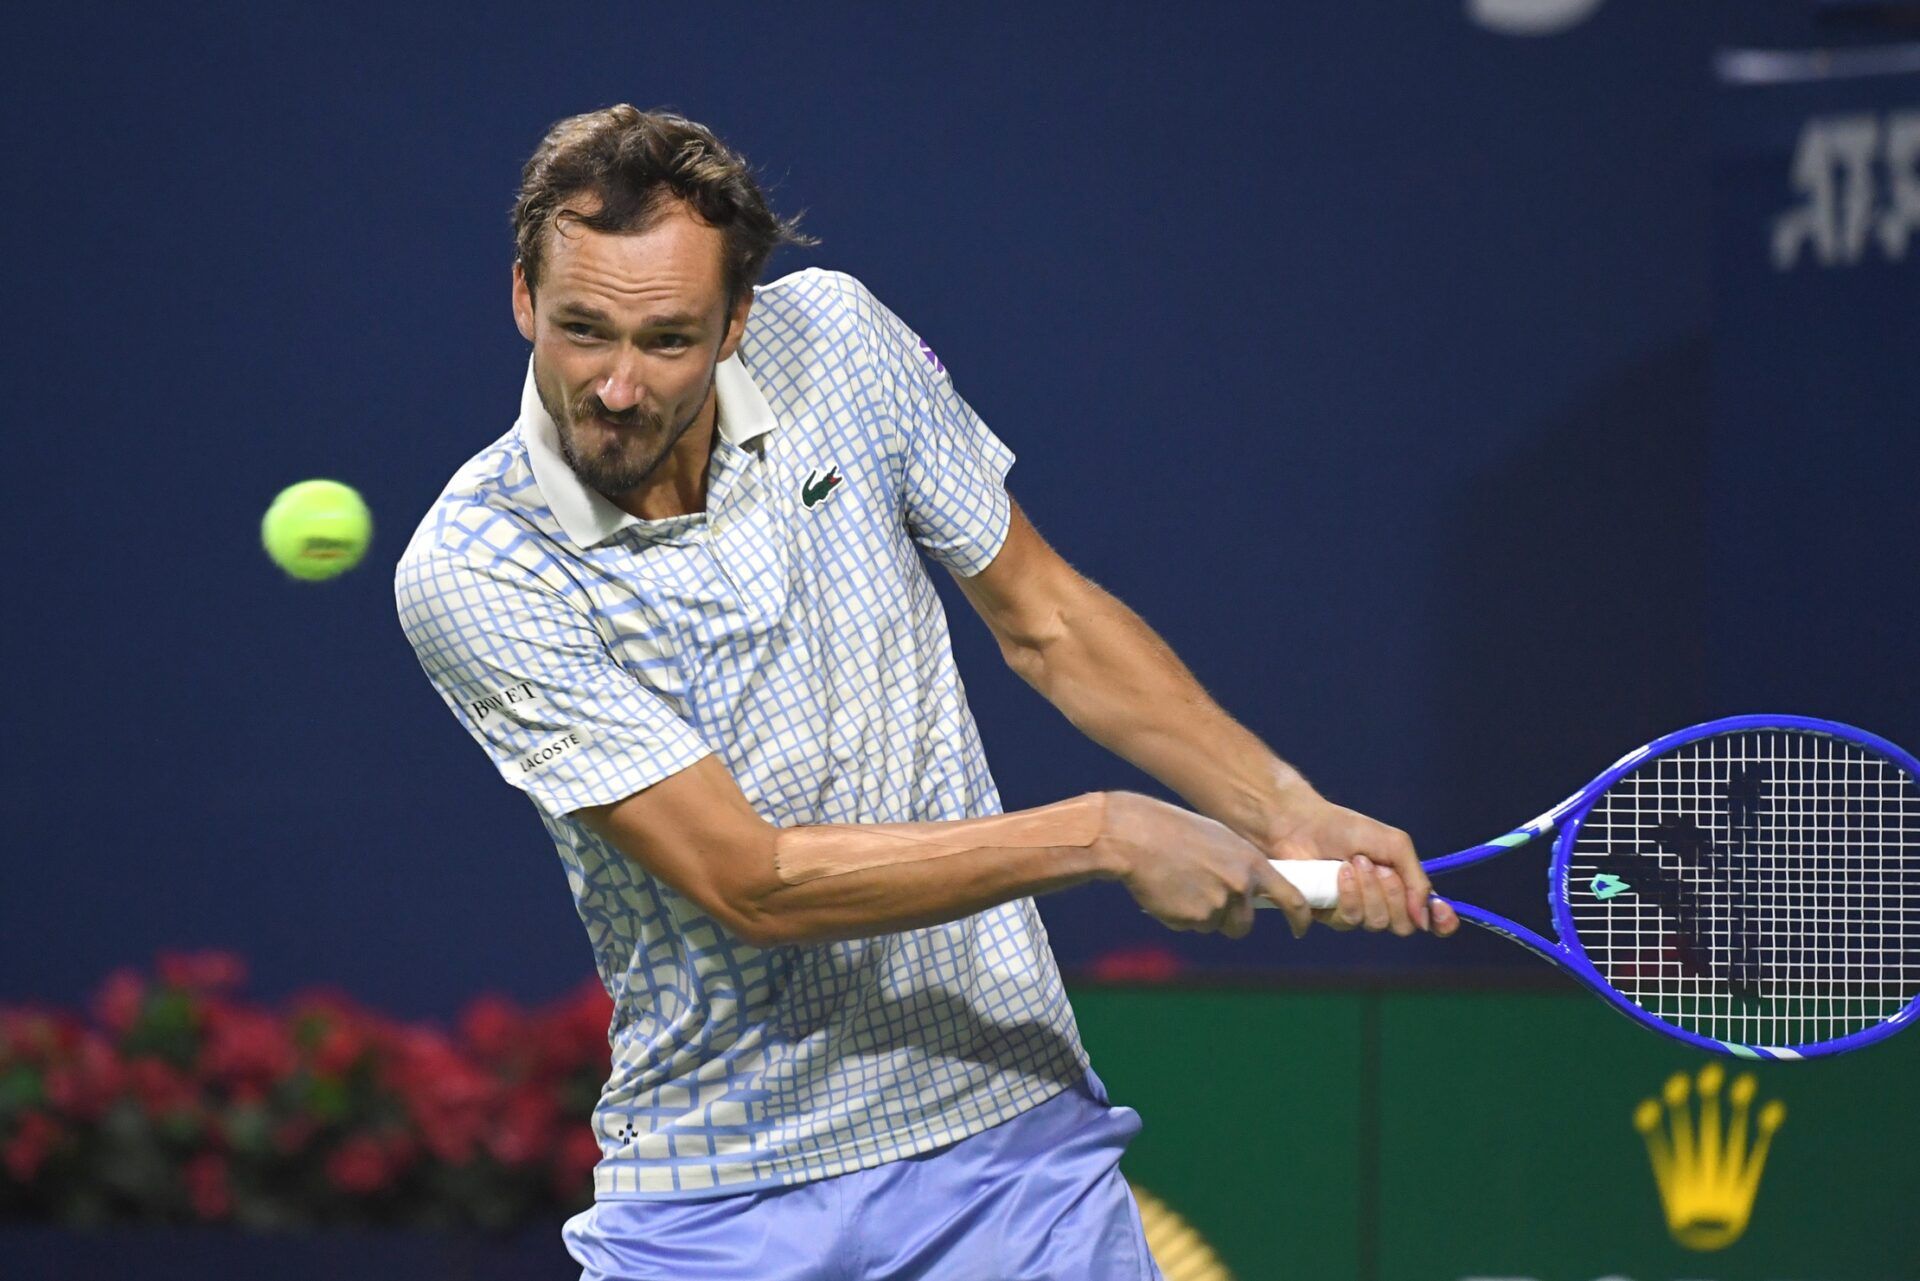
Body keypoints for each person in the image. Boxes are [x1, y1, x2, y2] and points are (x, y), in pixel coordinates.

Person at [394, 104, 1458, 1281]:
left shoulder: (838, 342)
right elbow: (751, 881)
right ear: (525, 298)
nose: (617, 386)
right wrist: (1105, 833)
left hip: (1005, 1144)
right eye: (583, 331)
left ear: (738, 322)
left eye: (669, 341)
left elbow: (1048, 621)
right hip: (720, 1190)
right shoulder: (479, 567)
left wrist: (1280, 807)